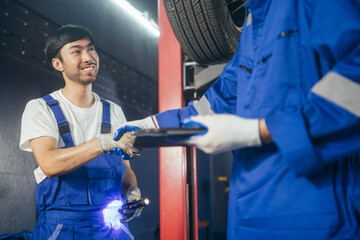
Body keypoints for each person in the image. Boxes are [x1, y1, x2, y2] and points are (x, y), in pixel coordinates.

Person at [115, 1, 360, 239]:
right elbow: (212, 106)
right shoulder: (254, 23)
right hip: (247, 216)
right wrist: (149, 126)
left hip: (315, 217)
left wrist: (260, 131)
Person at [19, 24, 142, 240]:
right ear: (58, 64)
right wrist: (102, 143)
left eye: (91, 49)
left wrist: (132, 192)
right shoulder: (40, 108)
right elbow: (49, 163)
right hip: (61, 230)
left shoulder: (114, 111)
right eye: (76, 51)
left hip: (111, 229)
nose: (88, 57)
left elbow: (124, 168)